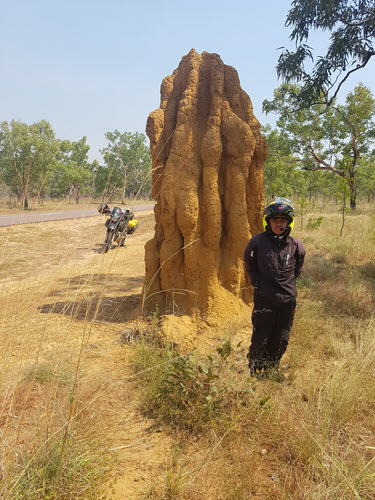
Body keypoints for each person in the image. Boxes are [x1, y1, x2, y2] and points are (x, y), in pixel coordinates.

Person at [244, 197, 305, 377]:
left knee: (281, 338)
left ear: (289, 223)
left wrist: (285, 286)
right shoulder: (257, 242)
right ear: (268, 222)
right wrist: (259, 284)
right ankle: (255, 370)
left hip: (287, 301)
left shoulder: (296, 246)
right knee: (260, 337)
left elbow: (297, 269)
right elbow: (250, 264)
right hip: (264, 299)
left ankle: (271, 368)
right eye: (275, 220)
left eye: (283, 220)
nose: (279, 224)